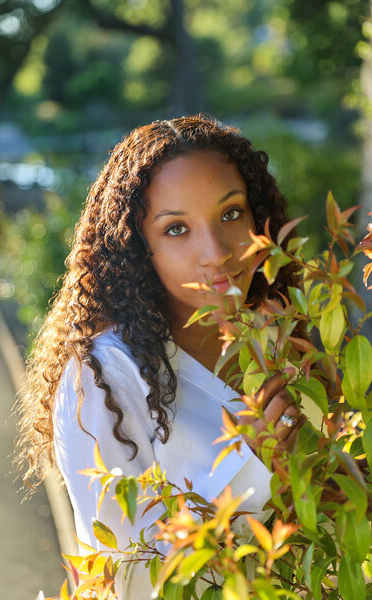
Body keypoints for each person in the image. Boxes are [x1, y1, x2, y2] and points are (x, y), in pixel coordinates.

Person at [18, 115, 306, 598]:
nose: (215, 251)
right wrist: (250, 463)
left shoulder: (286, 335)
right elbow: (126, 578)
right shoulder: (104, 376)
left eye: (231, 214)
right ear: (138, 247)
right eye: (176, 229)